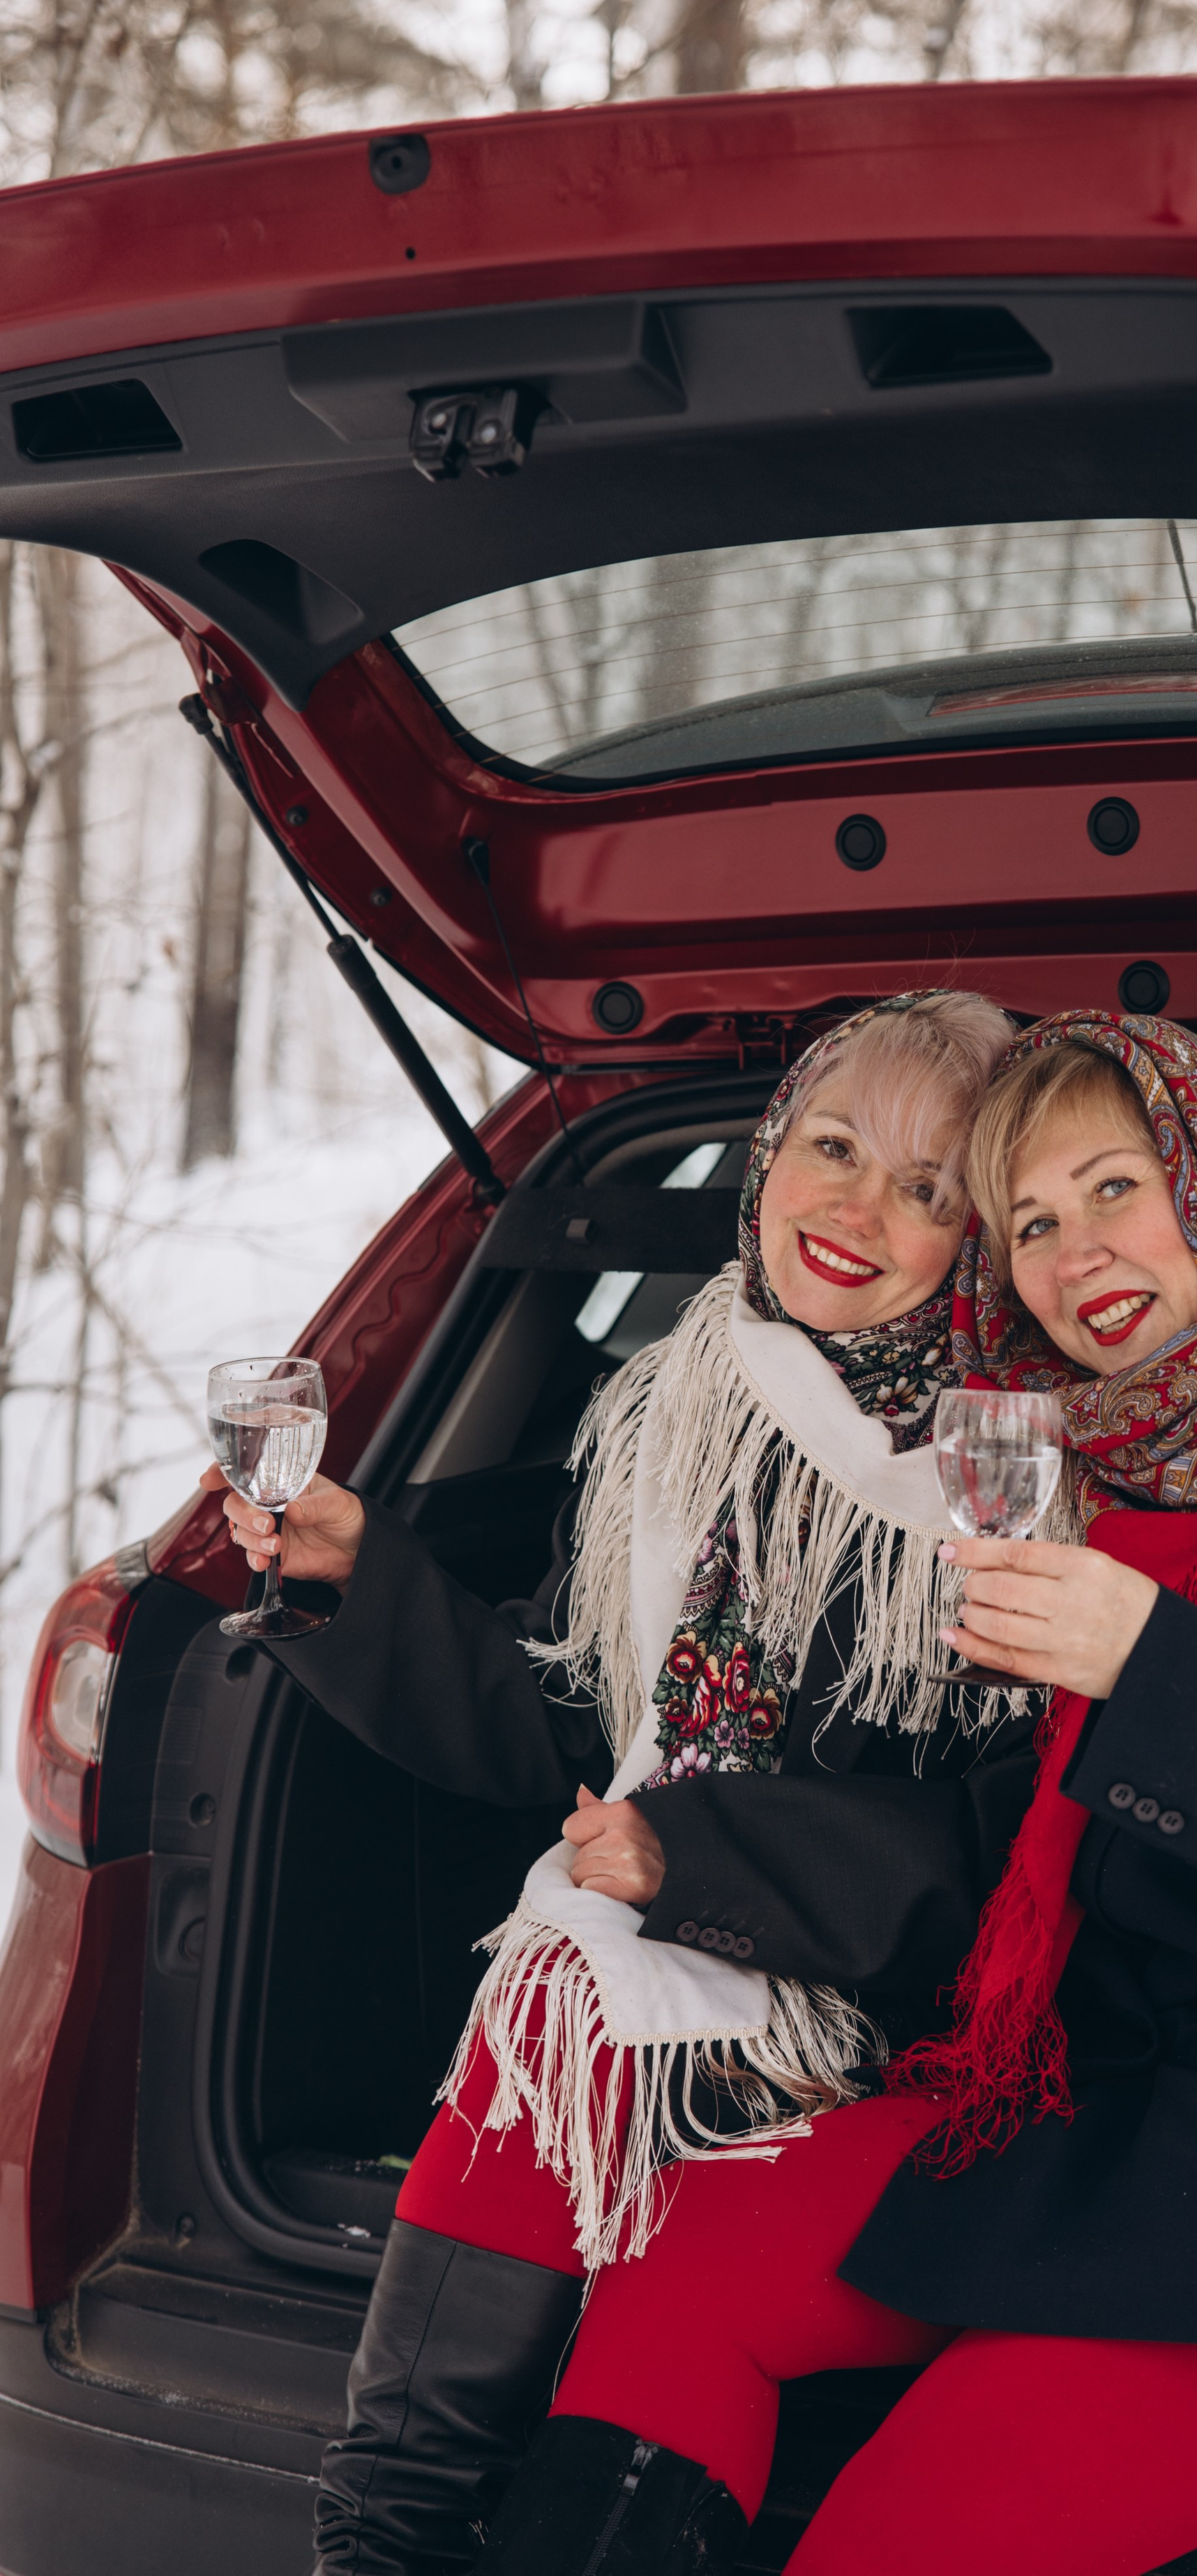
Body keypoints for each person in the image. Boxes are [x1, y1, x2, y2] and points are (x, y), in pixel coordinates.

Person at [462, 1010, 1197, 2576]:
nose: (1067, 1251)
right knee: (687, 2250)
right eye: (1027, 1219)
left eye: (1114, 1187)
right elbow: (1031, 1844)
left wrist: (1152, 1667)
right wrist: (692, 1854)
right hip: (1132, 2111)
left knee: (907, 2534)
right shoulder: (1139, 1469)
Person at [208, 990, 1046, 2576]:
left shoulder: (998, 1480)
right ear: (767, 1154)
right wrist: (353, 1578)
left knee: (562, 1995)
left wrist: (695, 1861)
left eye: (929, 1191)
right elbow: (575, 1721)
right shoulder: (678, 1402)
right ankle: (390, 2525)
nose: (858, 1208)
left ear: (984, 1241)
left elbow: (991, 1863)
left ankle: (381, 2532)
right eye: (832, 1146)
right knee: (571, 1985)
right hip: (653, 1946)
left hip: (870, 2002)